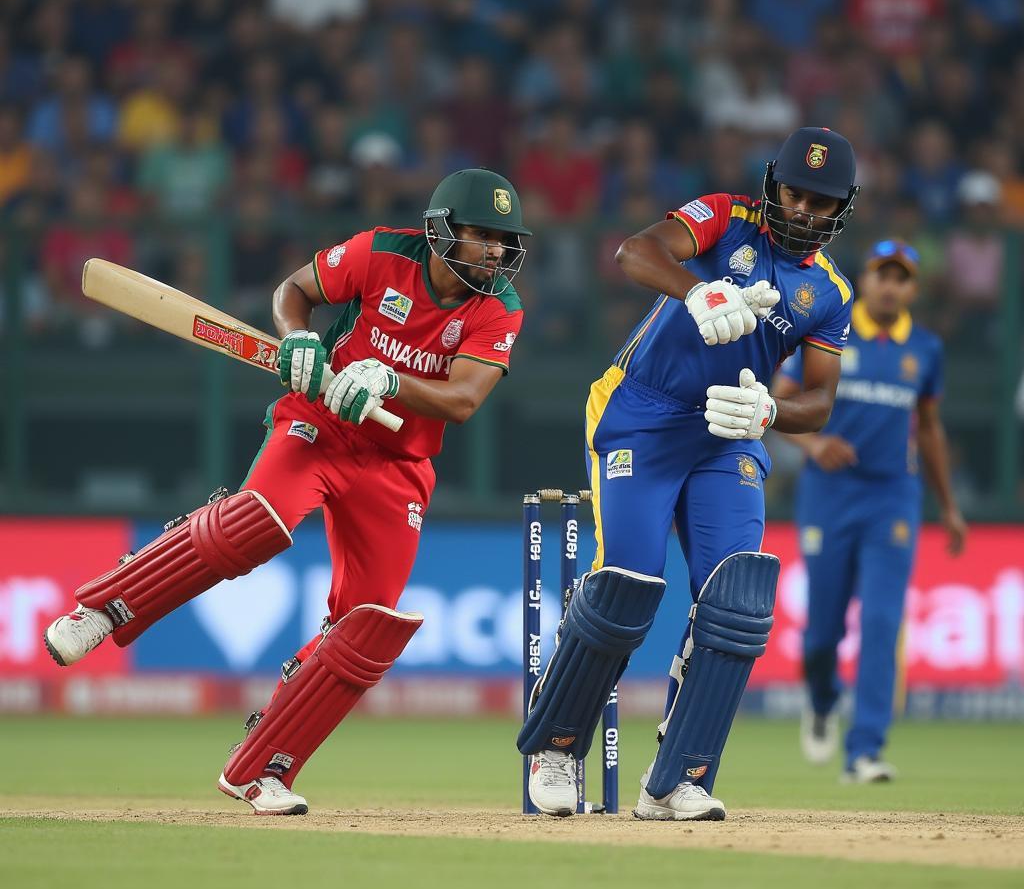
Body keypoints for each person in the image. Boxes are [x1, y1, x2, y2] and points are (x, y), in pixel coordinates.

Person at [44, 168, 529, 815]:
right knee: (261, 522)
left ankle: (261, 767)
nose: (496, 252)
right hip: (319, 422)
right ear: (441, 232)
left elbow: (463, 399)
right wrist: (298, 334)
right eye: (482, 236)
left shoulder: (500, 307)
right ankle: (104, 607)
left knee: (367, 627)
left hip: (398, 463)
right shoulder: (381, 251)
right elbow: (294, 292)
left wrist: (387, 379)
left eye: (504, 240)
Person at [518, 127, 859, 820]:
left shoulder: (828, 292)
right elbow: (634, 251)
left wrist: (769, 411)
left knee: (736, 597)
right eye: (795, 193)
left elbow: (820, 402)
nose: (804, 211)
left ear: (841, 208)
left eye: (821, 202)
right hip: (640, 412)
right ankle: (556, 747)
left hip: (728, 431)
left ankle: (677, 779)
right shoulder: (724, 217)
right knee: (629, 584)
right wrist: (699, 292)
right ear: (772, 186)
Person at [774, 239, 966, 782]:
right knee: (821, 634)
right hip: (829, 493)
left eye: (901, 278)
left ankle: (864, 751)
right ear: (866, 278)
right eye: (883, 274)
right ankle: (820, 700)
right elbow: (777, 401)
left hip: (893, 497)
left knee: (882, 622)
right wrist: (815, 447)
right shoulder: (828, 329)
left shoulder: (924, 348)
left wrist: (949, 507)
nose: (890, 286)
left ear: (914, 289)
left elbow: (928, 428)